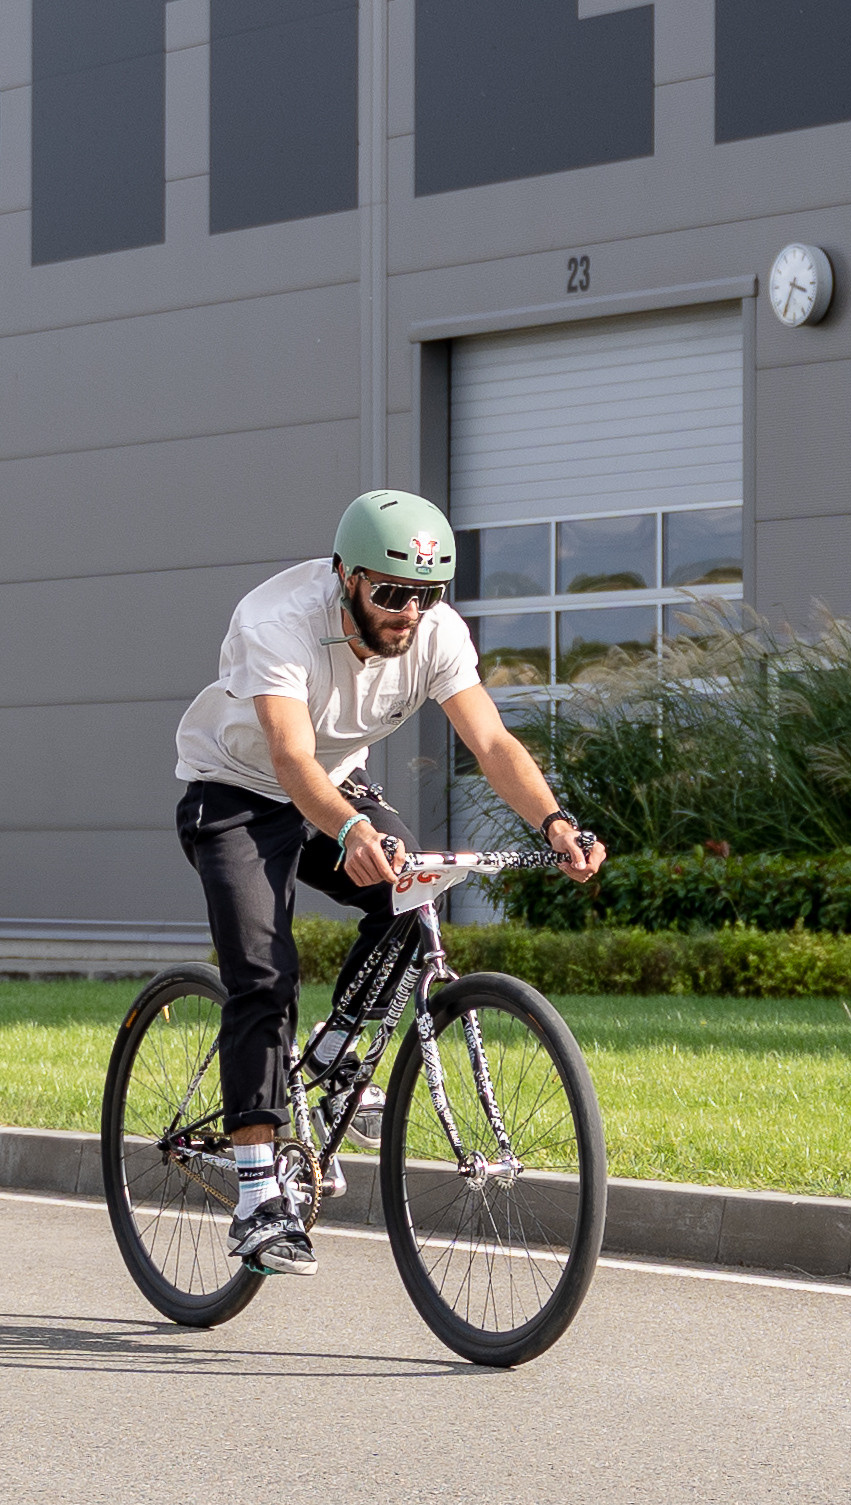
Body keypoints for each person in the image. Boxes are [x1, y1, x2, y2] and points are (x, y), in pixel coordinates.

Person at [171, 491, 604, 1275]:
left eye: (426, 594)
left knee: (415, 892)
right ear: (346, 576)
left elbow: (491, 741)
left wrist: (555, 822)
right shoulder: (277, 620)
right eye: (391, 592)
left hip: (337, 787)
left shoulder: (435, 633)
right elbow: (289, 759)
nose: (408, 611)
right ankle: (257, 1197)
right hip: (237, 791)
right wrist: (348, 830)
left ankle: (337, 1056)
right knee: (263, 977)